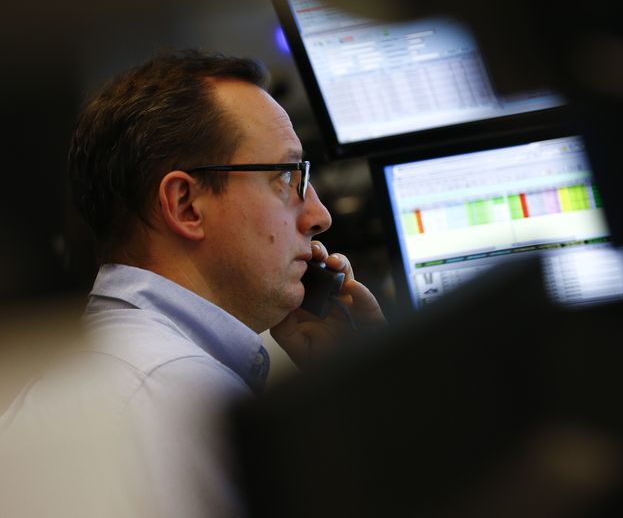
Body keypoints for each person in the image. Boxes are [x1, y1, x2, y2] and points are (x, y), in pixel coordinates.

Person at [0, 49, 385, 518]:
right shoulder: (180, 400)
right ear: (185, 205)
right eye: (287, 176)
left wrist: (342, 384)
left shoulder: (121, 367)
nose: (319, 215)